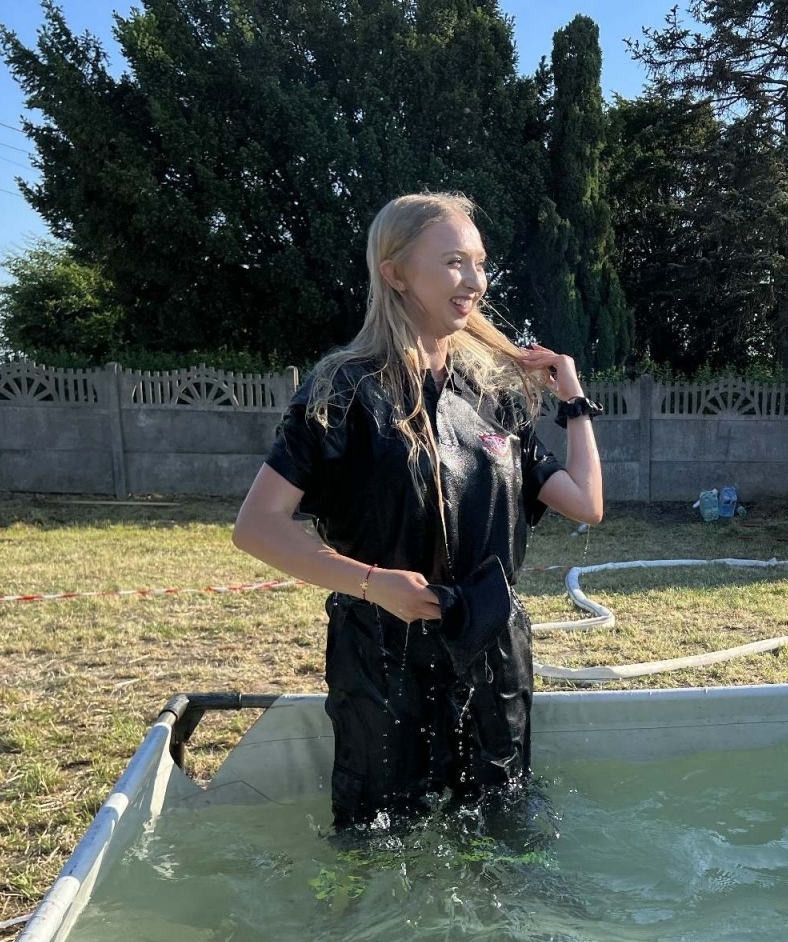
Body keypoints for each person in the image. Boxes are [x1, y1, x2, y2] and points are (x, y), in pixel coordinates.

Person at [232, 193, 604, 830]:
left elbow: (587, 504)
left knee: (502, 826)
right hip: (381, 650)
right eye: (455, 262)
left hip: (490, 645)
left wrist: (572, 401)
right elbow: (256, 527)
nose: (475, 281)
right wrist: (374, 585)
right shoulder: (343, 390)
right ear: (396, 272)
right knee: (381, 837)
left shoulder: (494, 395)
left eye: (480, 263)